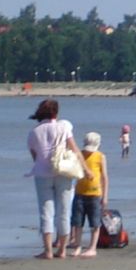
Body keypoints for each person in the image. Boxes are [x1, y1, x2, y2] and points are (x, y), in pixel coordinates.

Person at [27, 99, 92, 260]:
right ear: (56, 113)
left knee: (45, 212)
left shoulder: (34, 132)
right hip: (64, 173)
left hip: (42, 175)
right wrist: (86, 169)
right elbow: (75, 149)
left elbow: (35, 157)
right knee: (64, 212)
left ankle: (48, 251)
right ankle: (62, 250)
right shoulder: (63, 128)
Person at [70, 132, 108, 258]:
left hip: (95, 194)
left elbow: (104, 177)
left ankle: (92, 247)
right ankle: (77, 246)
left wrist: (105, 196)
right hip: (79, 193)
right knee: (77, 222)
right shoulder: (79, 154)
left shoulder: (100, 156)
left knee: (95, 223)